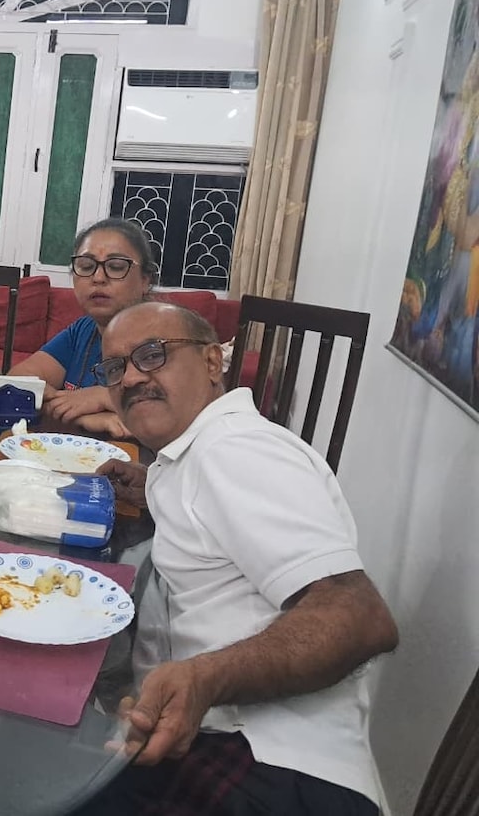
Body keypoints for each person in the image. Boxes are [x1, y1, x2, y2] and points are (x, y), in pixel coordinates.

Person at [83, 301, 398, 815]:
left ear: (213, 362)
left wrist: (203, 678)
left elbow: (360, 619)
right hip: (214, 738)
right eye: (116, 367)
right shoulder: (194, 455)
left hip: (273, 767)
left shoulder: (236, 451)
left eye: (152, 354)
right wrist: (155, 489)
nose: (132, 377)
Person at [10, 218, 155, 438]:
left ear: (145, 280)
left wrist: (104, 396)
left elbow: (180, 409)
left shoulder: (166, 335)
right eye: (86, 267)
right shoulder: (84, 330)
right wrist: (84, 415)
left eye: (116, 267)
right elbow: (17, 381)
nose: (98, 278)